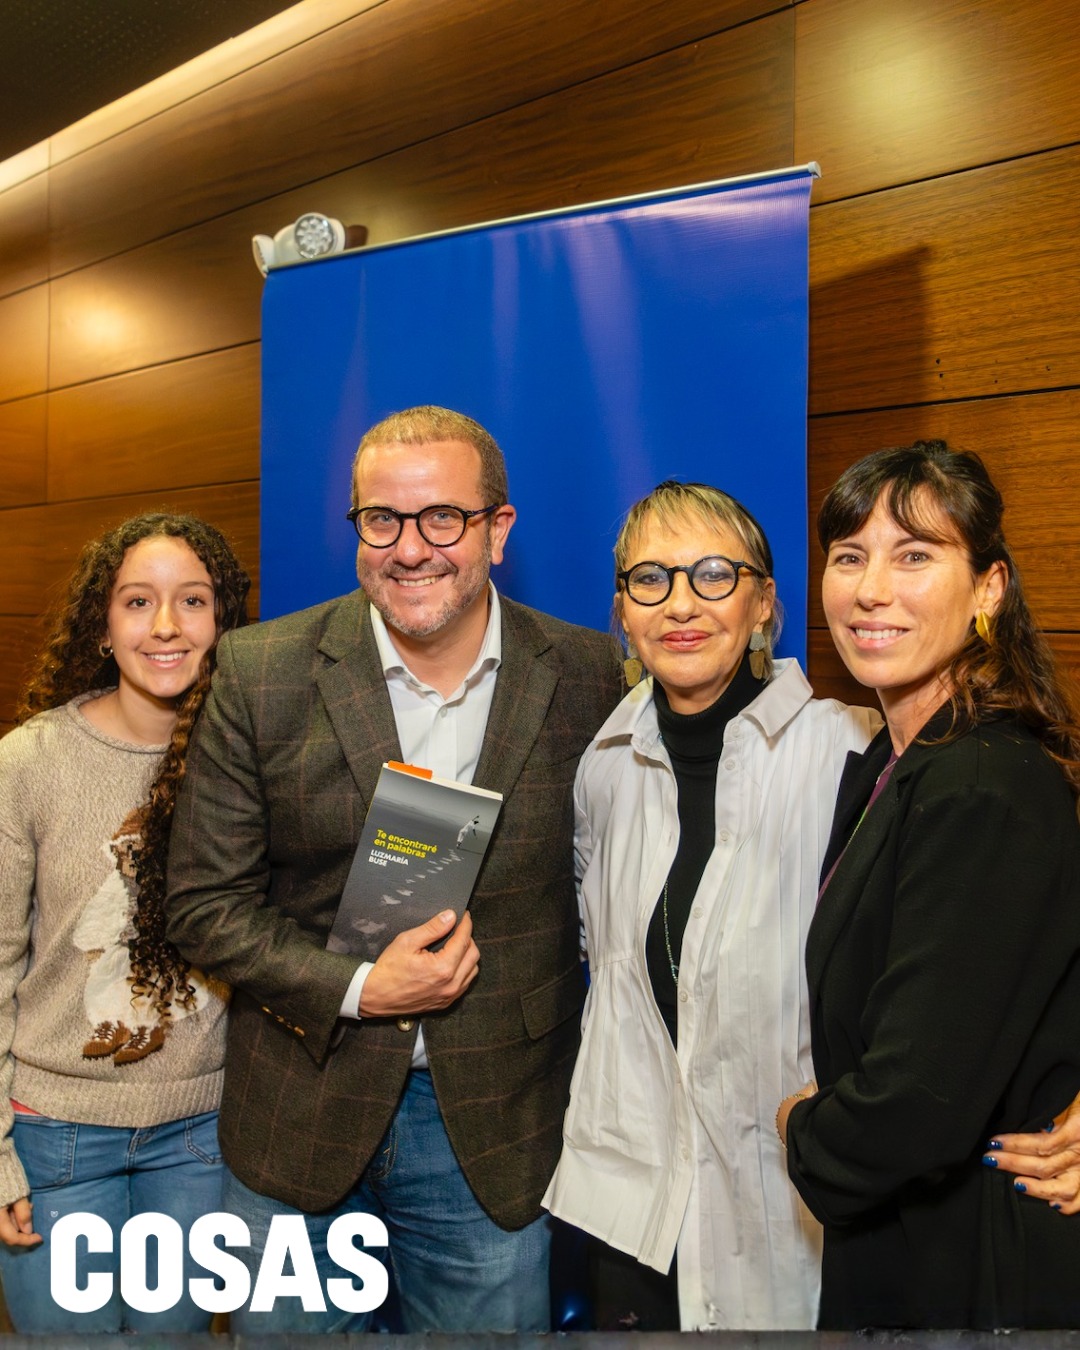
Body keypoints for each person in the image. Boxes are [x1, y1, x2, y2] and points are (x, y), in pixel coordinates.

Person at [164, 405, 623, 1333]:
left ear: (499, 529)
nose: (411, 550)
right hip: (300, 1106)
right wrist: (360, 987)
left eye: (442, 518)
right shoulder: (262, 670)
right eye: (382, 520)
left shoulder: (584, 673)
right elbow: (203, 906)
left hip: (490, 1127)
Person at [542, 480, 880, 1330]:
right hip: (634, 1208)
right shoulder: (605, 764)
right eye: (649, 579)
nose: (680, 604)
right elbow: (601, 958)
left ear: (765, 604)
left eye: (714, 576)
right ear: (622, 612)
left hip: (786, 1200)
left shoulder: (851, 752)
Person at [780, 440, 1080, 1328]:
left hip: (977, 1267)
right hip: (911, 1243)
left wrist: (802, 1127)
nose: (873, 589)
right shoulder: (893, 761)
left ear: (988, 587)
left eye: (915, 555)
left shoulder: (982, 781)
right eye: (849, 556)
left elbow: (916, 1103)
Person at [0, 512, 250, 1333]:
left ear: (225, 623)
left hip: (199, 1138)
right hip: (53, 1141)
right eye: (138, 602)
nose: (167, 626)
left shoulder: (250, 757)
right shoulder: (29, 762)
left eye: (193, 602)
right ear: (103, 625)